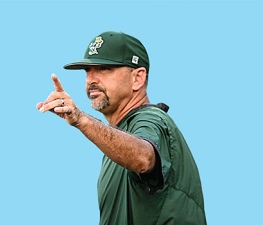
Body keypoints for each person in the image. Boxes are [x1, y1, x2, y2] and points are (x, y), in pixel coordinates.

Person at [36, 31, 207, 225]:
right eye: (87, 70)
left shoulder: (151, 119)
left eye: (104, 68)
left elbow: (144, 158)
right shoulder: (119, 138)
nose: (91, 78)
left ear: (138, 78)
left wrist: (80, 119)